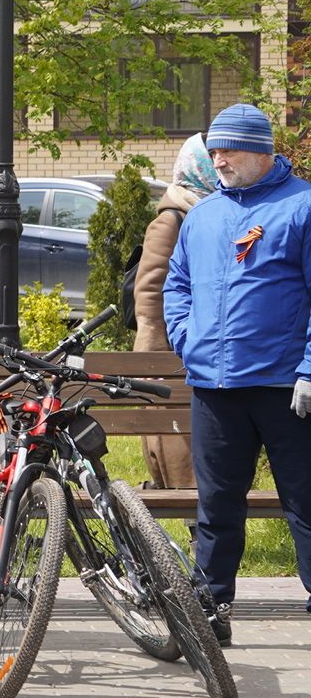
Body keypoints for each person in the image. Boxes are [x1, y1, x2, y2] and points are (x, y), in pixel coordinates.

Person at [164, 102, 311, 645]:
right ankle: (210, 609)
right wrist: (187, 339)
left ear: (257, 150)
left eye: (225, 149)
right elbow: (176, 285)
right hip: (214, 386)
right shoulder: (203, 215)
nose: (216, 159)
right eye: (213, 149)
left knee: (305, 502)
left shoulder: (302, 207)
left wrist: (310, 370)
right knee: (217, 504)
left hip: (284, 387)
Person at [132, 134, 218, 490]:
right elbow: (150, 291)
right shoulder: (173, 218)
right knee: (175, 437)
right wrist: (162, 348)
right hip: (166, 347)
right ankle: (187, 510)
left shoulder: (201, 209)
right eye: (212, 160)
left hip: (187, 344)